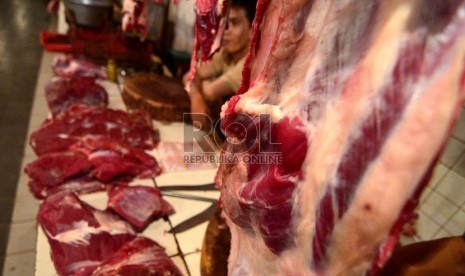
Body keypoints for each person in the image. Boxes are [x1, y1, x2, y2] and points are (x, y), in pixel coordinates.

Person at [185, 0, 256, 136]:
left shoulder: (251, 63)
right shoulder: (225, 54)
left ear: (251, 31)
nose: (225, 31)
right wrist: (196, 99)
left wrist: (202, 85)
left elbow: (209, 92)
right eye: (224, 23)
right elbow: (190, 75)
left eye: (234, 23)